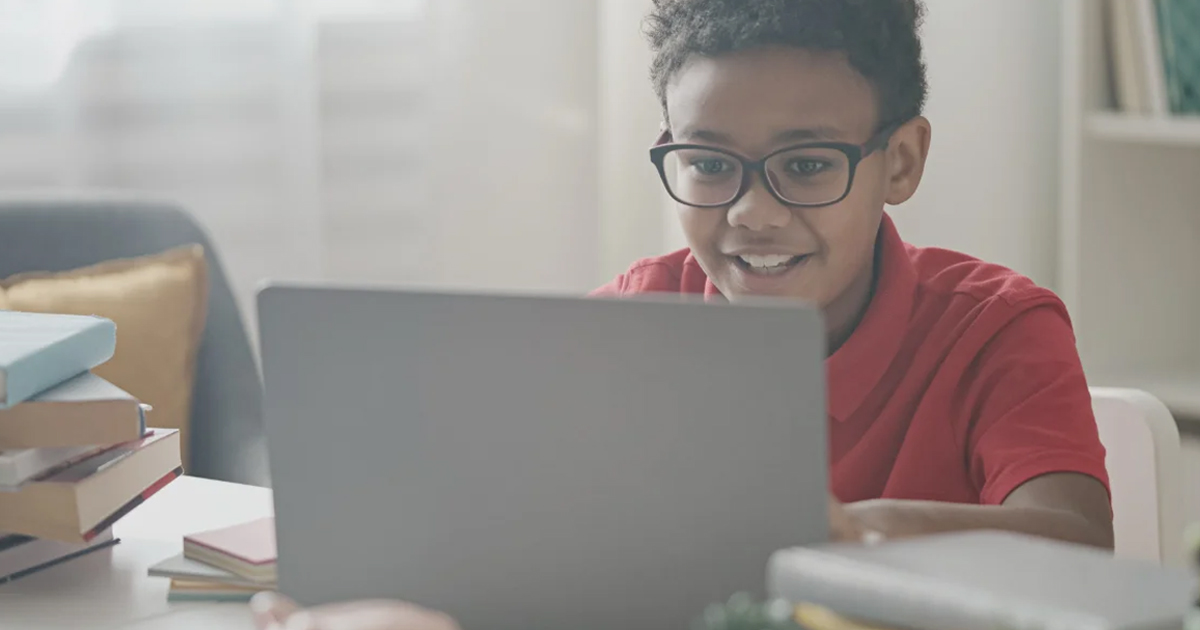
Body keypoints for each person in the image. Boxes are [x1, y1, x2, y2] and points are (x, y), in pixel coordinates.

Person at [254, 0, 1114, 627]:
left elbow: (1074, 540)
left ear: (901, 161)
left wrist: (853, 533)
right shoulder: (630, 321)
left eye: (806, 166)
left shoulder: (999, 329)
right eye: (709, 163)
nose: (753, 212)